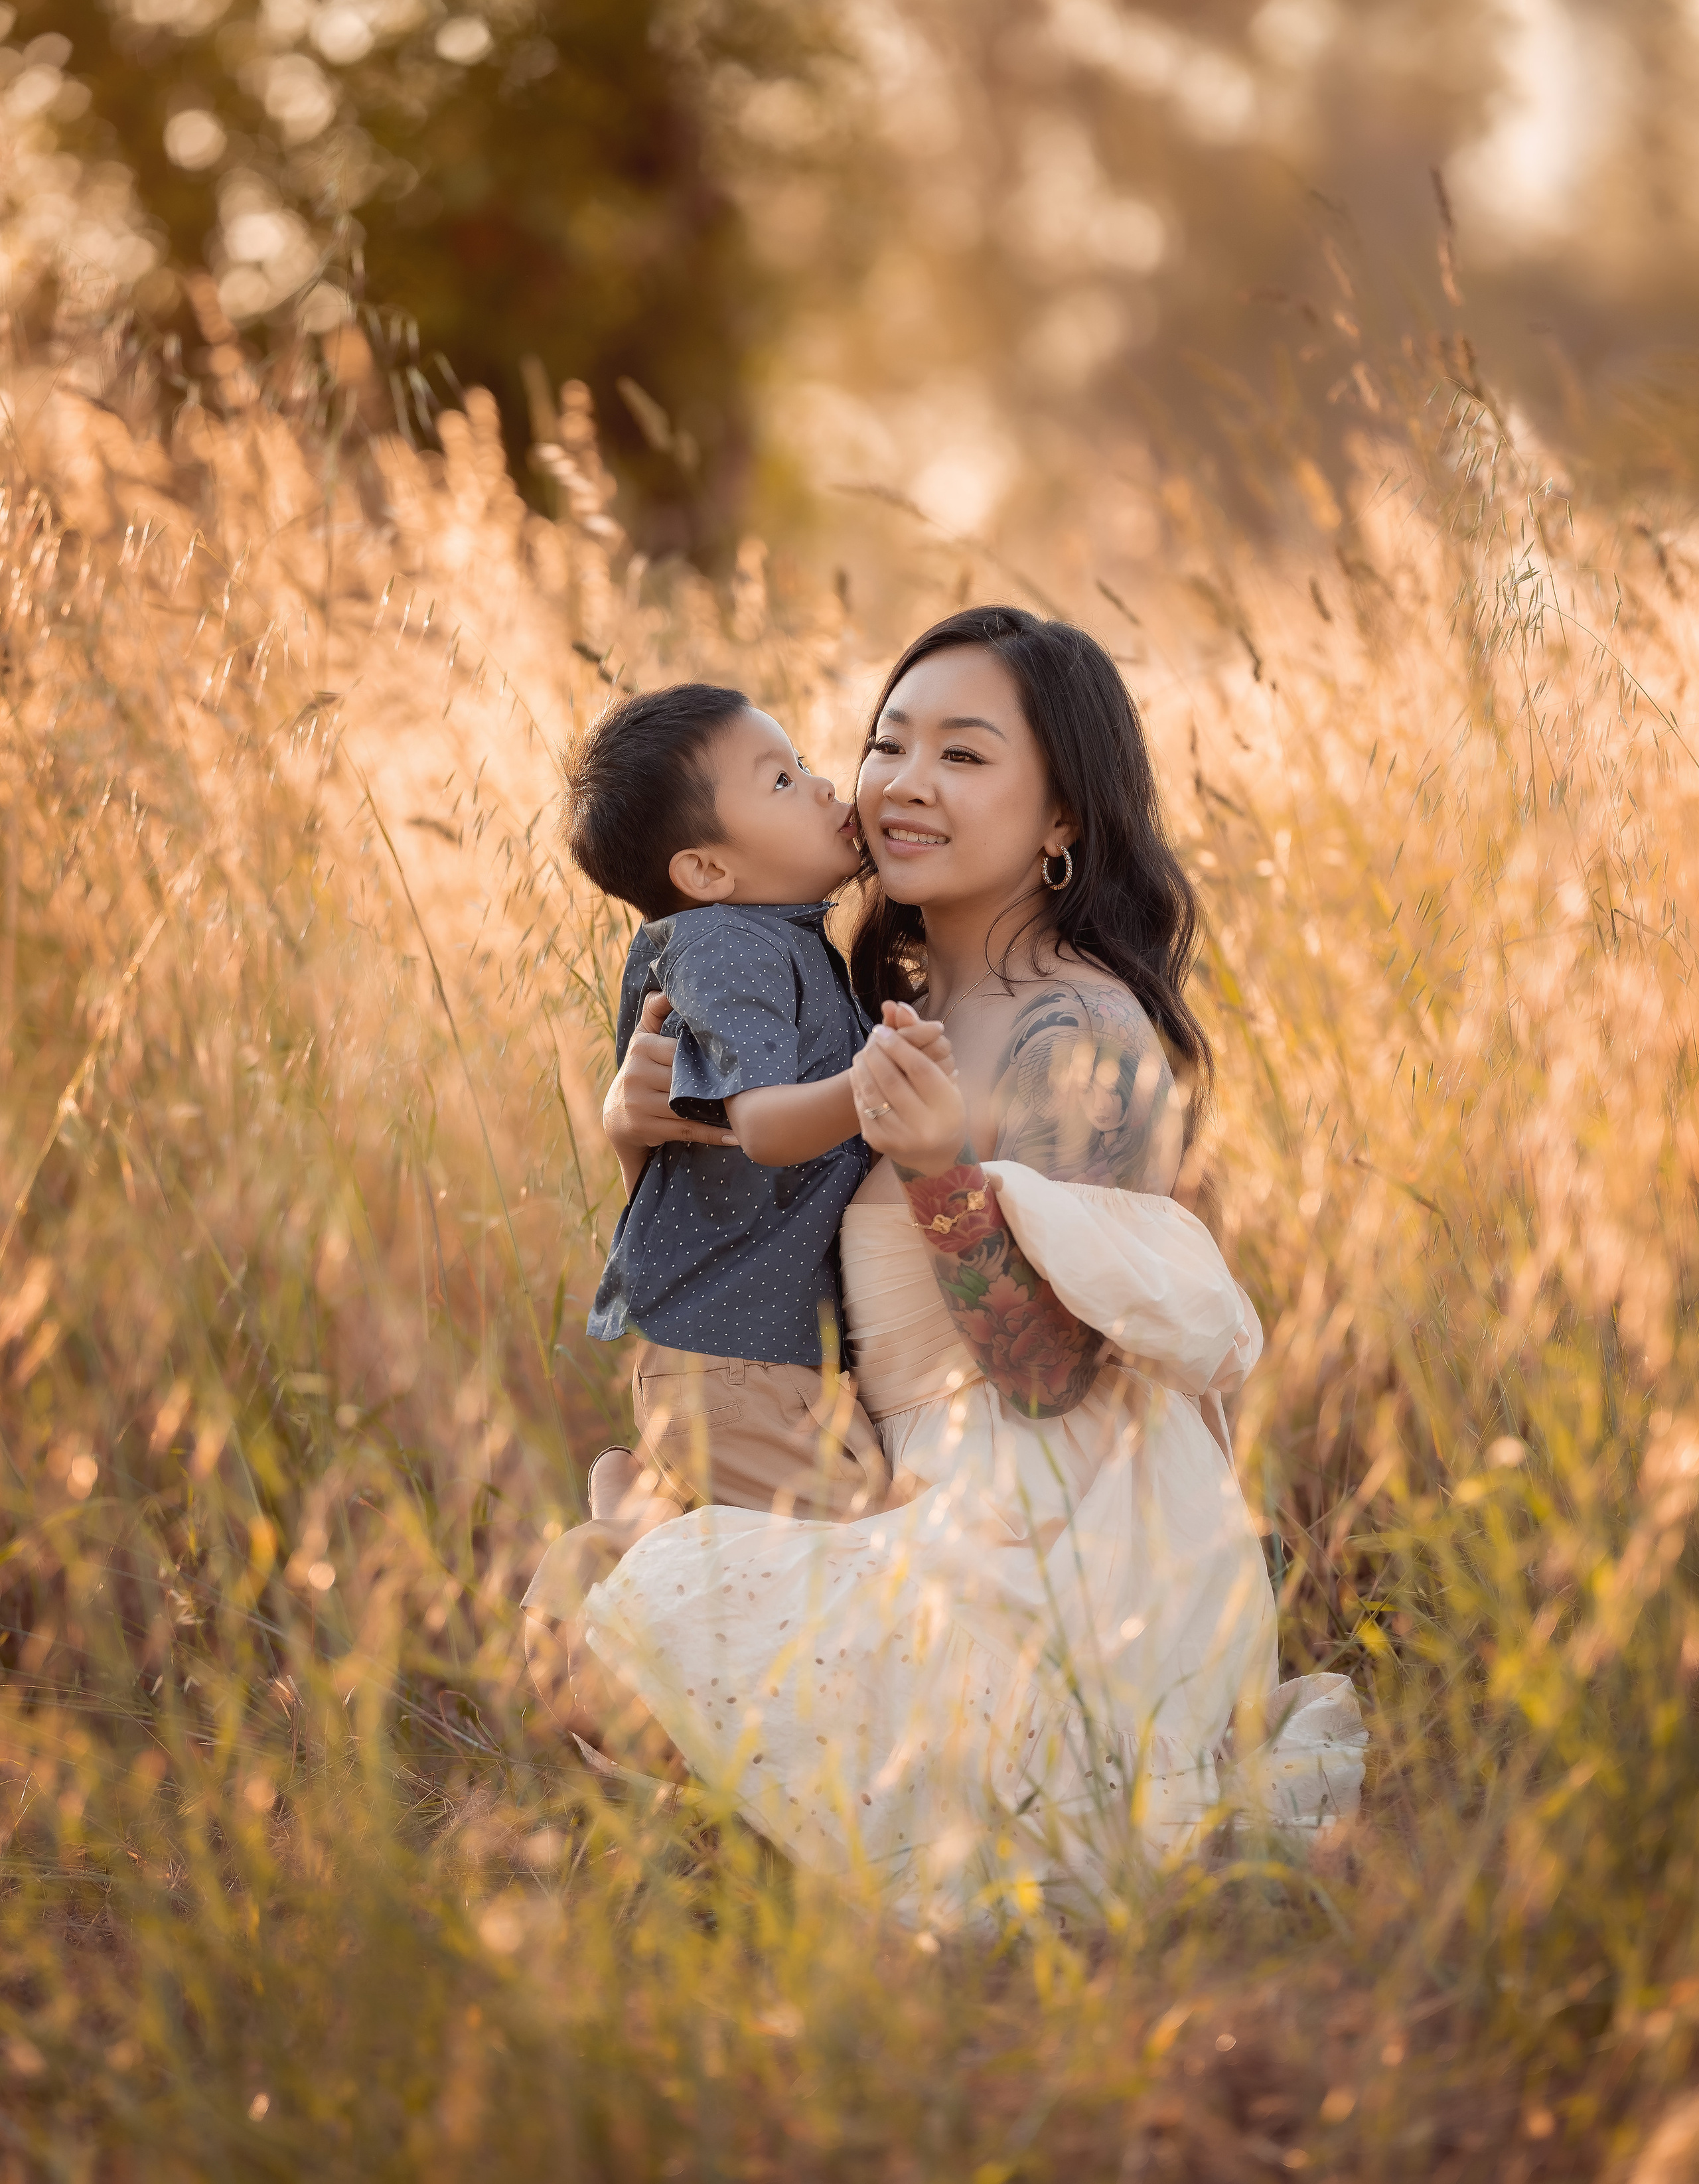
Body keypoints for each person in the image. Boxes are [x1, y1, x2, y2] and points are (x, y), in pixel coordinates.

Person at [569, 609, 1365, 1919]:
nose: (901, 781)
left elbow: (1053, 1375)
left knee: (633, 1600)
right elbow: (766, 1228)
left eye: (963, 753)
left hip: (1046, 1544)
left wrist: (944, 1171)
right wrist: (636, 1126)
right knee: (594, 1597)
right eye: (887, 740)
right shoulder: (857, 987)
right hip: (907, 1483)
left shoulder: (1078, 1031)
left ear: (1060, 819)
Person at [524, 682, 948, 1744]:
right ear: (708, 870)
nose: (820, 784)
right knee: (851, 1551)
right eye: (779, 777)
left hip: (746, 1358)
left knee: (836, 1538)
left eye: (802, 760)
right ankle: (612, 1600)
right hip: (741, 1363)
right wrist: (873, 1088)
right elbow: (760, 1125)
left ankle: (635, 1532)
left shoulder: (778, 938)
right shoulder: (727, 945)